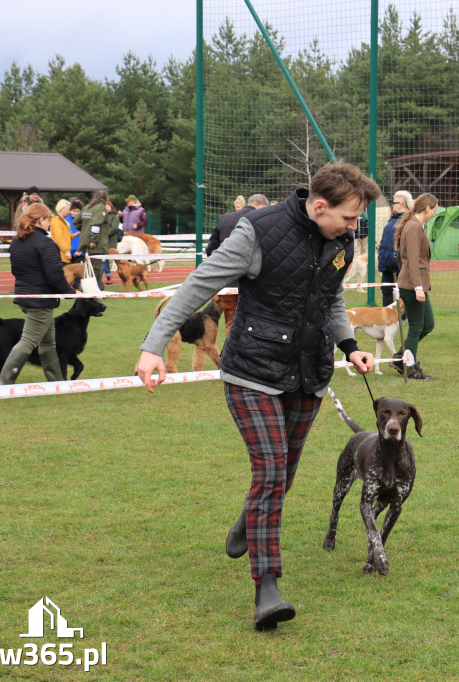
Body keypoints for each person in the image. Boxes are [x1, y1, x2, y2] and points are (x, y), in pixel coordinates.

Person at [134, 162, 379, 632]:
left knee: (281, 475)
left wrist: (349, 346)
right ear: (320, 205)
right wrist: (152, 346)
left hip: (310, 375)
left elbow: (329, 300)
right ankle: (267, 588)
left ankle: (251, 518)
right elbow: (197, 285)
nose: (354, 228)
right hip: (252, 373)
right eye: (349, 219)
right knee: (269, 471)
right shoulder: (257, 232)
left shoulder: (341, 241)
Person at [0, 203, 76, 384]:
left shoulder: (17, 241)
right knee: (28, 342)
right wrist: (70, 292)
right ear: (41, 220)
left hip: (25, 296)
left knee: (47, 342)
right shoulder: (45, 243)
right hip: (40, 301)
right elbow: (55, 275)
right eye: (48, 219)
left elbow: (16, 271)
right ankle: (3, 383)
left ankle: (56, 382)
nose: (49, 223)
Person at [394, 192, 438, 381]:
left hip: (417, 284)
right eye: (434, 210)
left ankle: (399, 358)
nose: (435, 214)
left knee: (428, 325)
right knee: (416, 328)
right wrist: (417, 287)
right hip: (413, 286)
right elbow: (411, 259)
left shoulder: (416, 225)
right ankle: (409, 367)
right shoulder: (413, 227)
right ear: (427, 208)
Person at [377, 190, 411, 307]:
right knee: (386, 289)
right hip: (386, 261)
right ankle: (387, 318)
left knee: (403, 291)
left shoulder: (408, 220)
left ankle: (402, 317)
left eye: (394, 202)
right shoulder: (392, 218)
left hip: (400, 262)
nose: (392, 205)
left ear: (400, 204)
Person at [74, 190, 110, 289]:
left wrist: (85, 231)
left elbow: (76, 222)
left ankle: (89, 288)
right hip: (96, 243)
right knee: (96, 268)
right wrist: (93, 240)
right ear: (105, 198)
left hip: (86, 241)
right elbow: (96, 224)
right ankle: (96, 289)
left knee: (89, 267)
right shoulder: (100, 208)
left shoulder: (87, 207)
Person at [50, 199, 74, 263]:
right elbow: (59, 237)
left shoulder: (62, 220)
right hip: (60, 255)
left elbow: (64, 235)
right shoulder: (56, 221)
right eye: (68, 210)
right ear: (62, 209)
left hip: (63, 254)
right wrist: (66, 251)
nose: (69, 212)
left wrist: (74, 235)